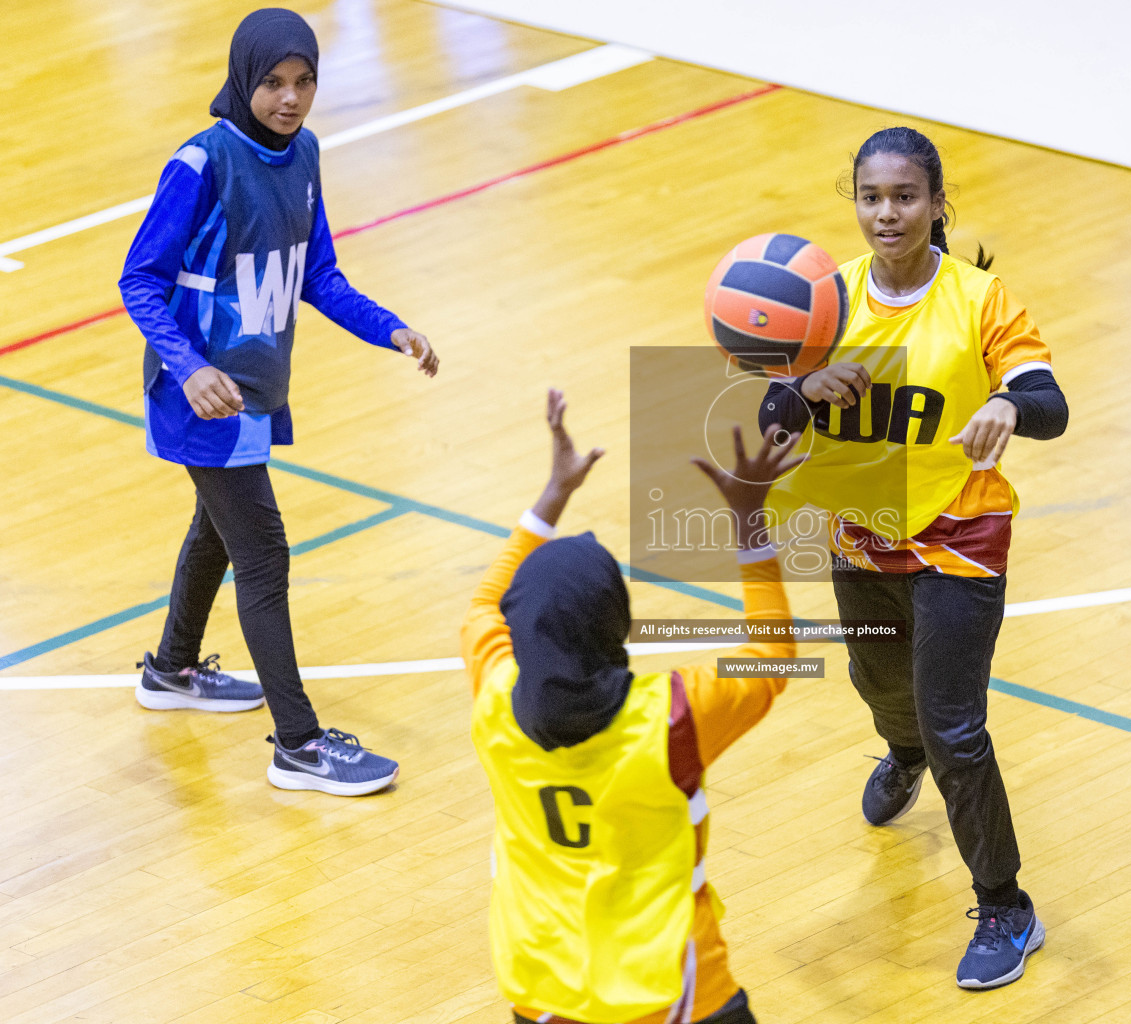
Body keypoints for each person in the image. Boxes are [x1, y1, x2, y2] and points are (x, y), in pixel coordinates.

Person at [757, 127, 1068, 990]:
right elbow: (766, 419)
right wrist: (798, 391)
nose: (885, 213)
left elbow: (1050, 401)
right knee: (881, 687)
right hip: (860, 534)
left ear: (936, 203)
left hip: (960, 539)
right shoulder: (826, 300)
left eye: (903, 197)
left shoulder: (979, 299)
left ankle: (1007, 905)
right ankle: (902, 752)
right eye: (870, 197)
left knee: (955, 725)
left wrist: (1009, 402)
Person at [119, 8, 438, 796]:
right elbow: (139, 279)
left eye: (304, 82)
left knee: (218, 532)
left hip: (256, 388)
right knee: (263, 553)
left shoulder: (305, 154)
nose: (290, 99)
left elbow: (318, 273)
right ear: (242, 79)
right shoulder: (201, 164)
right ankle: (297, 745)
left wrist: (389, 328)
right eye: (272, 83)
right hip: (203, 396)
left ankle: (172, 668)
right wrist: (188, 367)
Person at [465, 390, 801, 1024]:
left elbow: (484, 604)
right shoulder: (674, 716)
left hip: (541, 988)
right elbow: (773, 654)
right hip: (673, 989)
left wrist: (551, 497)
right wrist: (749, 519)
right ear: (614, 624)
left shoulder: (493, 695)